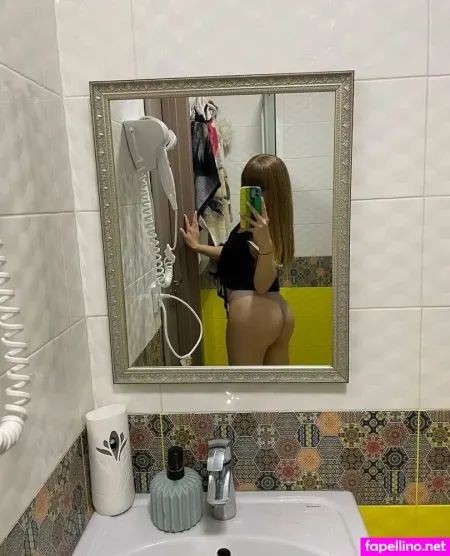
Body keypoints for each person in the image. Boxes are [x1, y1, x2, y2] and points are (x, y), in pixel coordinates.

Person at [181, 154, 295, 366]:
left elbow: (262, 285)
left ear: (275, 191)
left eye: (260, 188)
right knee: (276, 387)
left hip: (251, 313)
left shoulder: (262, 230)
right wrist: (197, 247)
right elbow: (234, 255)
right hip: (278, 310)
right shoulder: (272, 225)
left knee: (245, 386)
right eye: (248, 185)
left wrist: (265, 245)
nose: (252, 192)